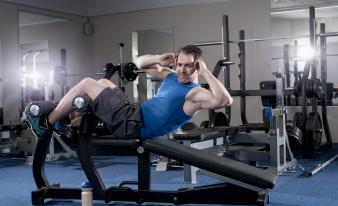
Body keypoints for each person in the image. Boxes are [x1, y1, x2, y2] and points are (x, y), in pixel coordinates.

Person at [25, 44, 233, 139]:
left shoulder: (195, 94)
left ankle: (46, 124)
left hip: (136, 125)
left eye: (188, 66)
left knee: (88, 83)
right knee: (103, 84)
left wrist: (206, 72)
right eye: (180, 64)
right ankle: (66, 119)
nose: (182, 70)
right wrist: (160, 58)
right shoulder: (171, 75)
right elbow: (139, 62)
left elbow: (225, 100)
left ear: (196, 67)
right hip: (133, 113)